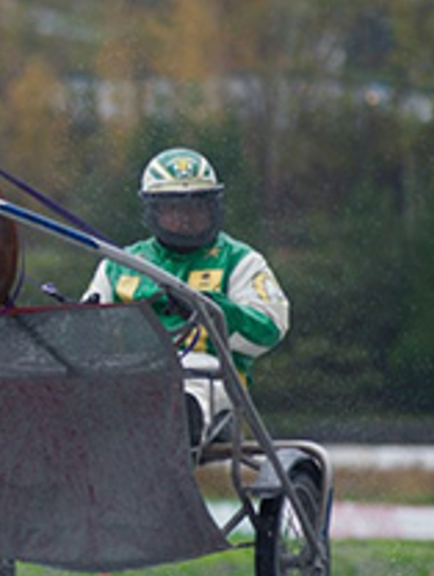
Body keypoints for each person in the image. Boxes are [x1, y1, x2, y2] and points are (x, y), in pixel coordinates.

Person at [82, 147, 290, 448]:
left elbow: (271, 328)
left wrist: (209, 308)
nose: (185, 219)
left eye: (196, 207)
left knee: (184, 397)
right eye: (174, 209)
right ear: (153, 211)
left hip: (207, 375)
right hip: (130, 376)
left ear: (214, 208)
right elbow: (87, 341)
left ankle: (181, 427)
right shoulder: (120, 264)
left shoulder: (241, 261)